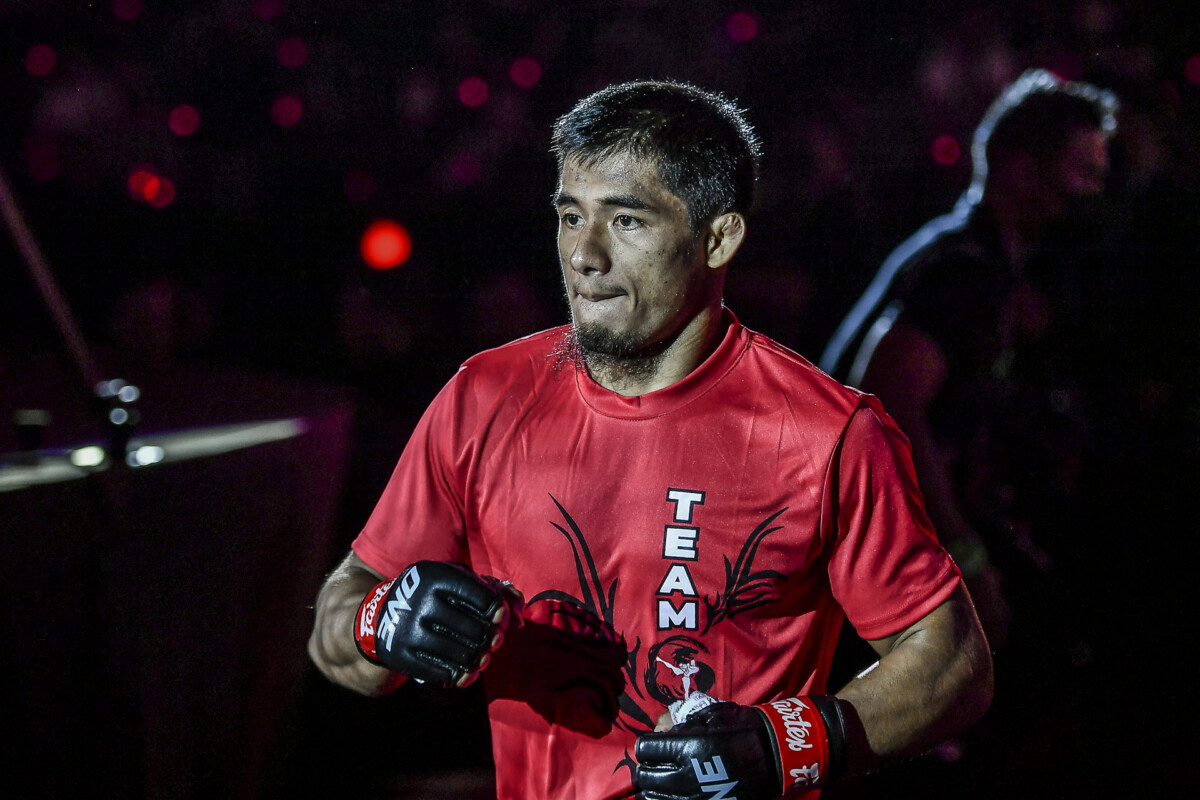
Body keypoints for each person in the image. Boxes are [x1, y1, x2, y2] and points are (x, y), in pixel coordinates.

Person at [308, 80, 992, 800]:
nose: (584, 254)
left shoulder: (825, 433)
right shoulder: (484, 397)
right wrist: (379, 621)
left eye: (626, 220)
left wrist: (786, 742)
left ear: (718, 238)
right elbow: (337, 625)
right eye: (571, 216)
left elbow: (954, 661)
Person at [818, 69, 1116, 666]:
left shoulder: (983, 263)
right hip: (864, 557)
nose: (1093, 193)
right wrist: (964, 559)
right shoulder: (963, 270)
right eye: (1081, 173)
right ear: (1019, 168)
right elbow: (887, 407)